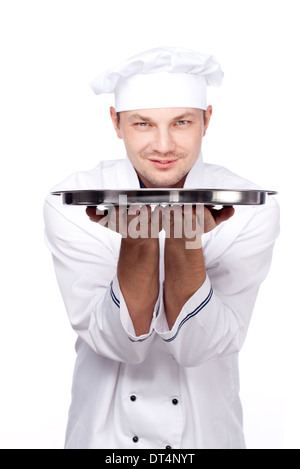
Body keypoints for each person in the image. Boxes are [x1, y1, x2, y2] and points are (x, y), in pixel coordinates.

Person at [44, 47, 279, 449]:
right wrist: (140, 239)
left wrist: (183, 239)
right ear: (117, 124)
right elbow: (117, 344)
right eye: (143, 124)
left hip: (205, 438)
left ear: (206, 120)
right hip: (103, 440)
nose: (164, 144)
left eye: (182, 122)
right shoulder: (70, 206)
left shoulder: (252, 210)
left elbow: (199, 346)